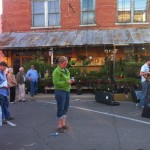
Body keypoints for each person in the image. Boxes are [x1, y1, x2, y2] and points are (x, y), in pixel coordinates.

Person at [52, 56, 73, 133]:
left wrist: (70, 81)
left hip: (67, 90)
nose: (65, 65)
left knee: (66, 107)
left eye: (66, 64)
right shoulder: (56, 71)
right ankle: (59, 126)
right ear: (60, 63)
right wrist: (66, 82)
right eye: (64, 64)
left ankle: (63, 124)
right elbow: (56, 83)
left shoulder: (66, 70)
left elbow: (67, 79)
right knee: (60, 108)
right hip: (60, 91)